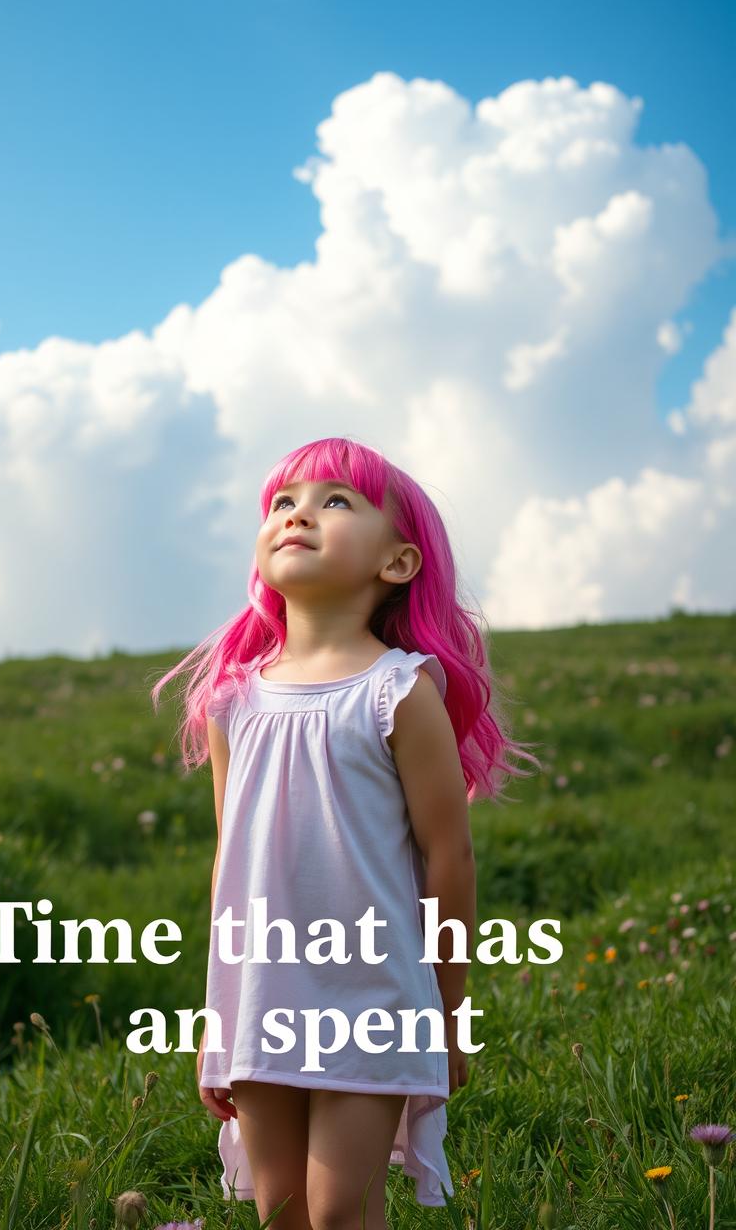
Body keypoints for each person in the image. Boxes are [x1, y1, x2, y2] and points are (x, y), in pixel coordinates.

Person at [152, 436, 541, 1229]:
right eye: (283, 503)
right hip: (263, 994)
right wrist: (215, 1018)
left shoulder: (397, 694)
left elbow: (449, 857)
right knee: (281, 1211)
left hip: (373, 994)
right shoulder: (234, 702)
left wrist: (447, 1010)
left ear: (396, 563)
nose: (299, 515)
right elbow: (232, 866)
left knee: (339, 1213)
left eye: (335, 501)